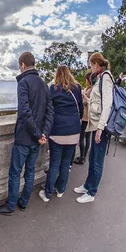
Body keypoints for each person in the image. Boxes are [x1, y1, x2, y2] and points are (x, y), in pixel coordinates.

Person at [0, 52, 53, 215]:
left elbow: (25, 112)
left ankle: (10, 205)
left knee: (15, 172)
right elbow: (50, 111)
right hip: (37, 139)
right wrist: (43, 133)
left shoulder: (23, 82)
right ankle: (23, 202)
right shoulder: (44, 84)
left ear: (23, 65)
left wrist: (38, 134)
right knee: (30, 171)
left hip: (25, 137)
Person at [73, 52, 114, 204]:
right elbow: (98, 102)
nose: (91, 67)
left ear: (96, 63)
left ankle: (91, 192)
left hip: (100, 126)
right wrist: (87, 99)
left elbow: (107, 104)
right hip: (96, 124)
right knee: (92, 157)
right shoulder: (101, 78)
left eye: (91, 64)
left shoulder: (106, 78)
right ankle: (88, 185)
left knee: (97, 160)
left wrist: (101, 128)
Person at [40, 67, 83, 201]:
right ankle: (60, 190)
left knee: (54, 163)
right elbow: (80, 109)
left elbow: (47, 109)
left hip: (57, 131)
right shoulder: (77, 88)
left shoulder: (52, 88)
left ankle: (47, 193)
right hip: (74, 131)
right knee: (65, 163)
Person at [74, 73, 93, 164]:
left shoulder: (90, 90)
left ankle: (82, 157)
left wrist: (83, 96)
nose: (85, 81)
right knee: (87, 137)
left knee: (82, 137)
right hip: (89, 117)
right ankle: (84, 156)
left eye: (86, 79)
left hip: (85, 117)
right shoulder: (90, 89)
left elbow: (85, 102)